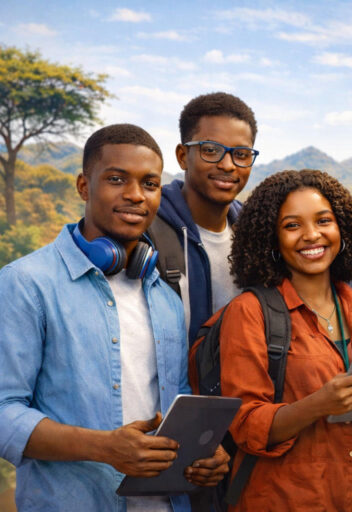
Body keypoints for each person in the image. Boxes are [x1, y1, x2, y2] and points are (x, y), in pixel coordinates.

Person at [0, 124, 229, 511]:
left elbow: (175, 405)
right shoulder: (26, 283)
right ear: (84, 187)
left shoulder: (165, 296)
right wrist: (104, 447)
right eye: (117, 179)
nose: (136, 195)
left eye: (150, 183)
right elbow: (4, 411)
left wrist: (202, 452)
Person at [214, 169, 352, 511]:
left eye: (324, 221)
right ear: (271, 239)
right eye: (292, 225)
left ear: (342, 229)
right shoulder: (248, 312)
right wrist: (318, 404)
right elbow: (246, 426)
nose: (311, 235)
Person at [149, 91, 258, 344]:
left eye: (241, 154)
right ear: (182, 156)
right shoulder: (147, 229)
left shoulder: (254, 233)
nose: (228, 165)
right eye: (211, 150)